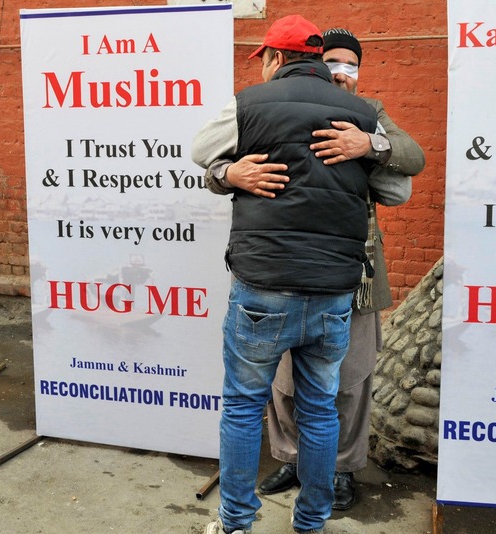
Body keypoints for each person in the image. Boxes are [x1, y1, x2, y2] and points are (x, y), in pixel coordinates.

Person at [206, 27, 425, 512]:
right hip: (281, 271)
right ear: (313, 63)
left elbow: (411, 163)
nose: (341, 72)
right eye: (332, 61)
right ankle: (292, 460)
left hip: (351, 274)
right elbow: (216, 166)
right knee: (284, 383)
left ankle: (339, 470)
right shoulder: (279, 107)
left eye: (351, 64)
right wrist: (230, 173)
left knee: (347, 382)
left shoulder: (368, 113)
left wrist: (370, 146)